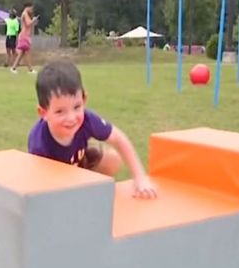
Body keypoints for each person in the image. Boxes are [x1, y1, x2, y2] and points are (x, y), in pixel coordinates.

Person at [27, 58, 157, 199]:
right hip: (53, 181)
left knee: (112, 159)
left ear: (84, 100)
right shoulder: (39, 144)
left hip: (78, 168)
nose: (71, 118)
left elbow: (119, 139)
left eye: (77, 107)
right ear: (43, 113)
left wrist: (140, 177)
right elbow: (41, 187)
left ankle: (89, 190)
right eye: (60, 111)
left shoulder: (87, 120)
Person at [11, 2, 38, 74]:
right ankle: (30, 69)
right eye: (31, 8)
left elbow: (29, 24)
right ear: (27, 7)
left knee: (22, 53)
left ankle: (14, 68)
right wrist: (33, 20)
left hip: (25, 35)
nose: (32, 10)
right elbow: (28, 24)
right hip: (24, 36)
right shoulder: (25, 14)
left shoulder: (26, 14)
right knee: (27, 52)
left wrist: (34, 22)